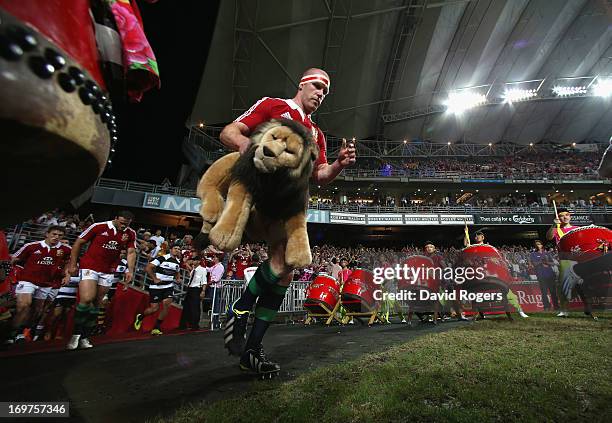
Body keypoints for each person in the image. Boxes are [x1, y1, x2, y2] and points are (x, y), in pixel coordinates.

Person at [220, 67, 356, 376]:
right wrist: (247, 146)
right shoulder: (273, 105)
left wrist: (337, 164)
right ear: (302, 84)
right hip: (263, 193)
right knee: (285, 263)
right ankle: (241, 309)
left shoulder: (317, 134)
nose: (321, 93)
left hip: (293, 204)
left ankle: (251, 349)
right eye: (318, 86)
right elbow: (229, 132)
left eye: (326, 91)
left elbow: (320, 176)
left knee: (286, 271)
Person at [64, 211, 137, 350]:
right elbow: (78, 242)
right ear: (115, 218)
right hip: (90, 266)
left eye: (126, 224)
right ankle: (75, 334)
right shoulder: (98, 227)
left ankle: (85, 336)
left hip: (109, 271)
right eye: (121, 223)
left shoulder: (131, 233)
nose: (123, 226)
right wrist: (73, 264)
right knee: (86, 299)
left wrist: (130, 270)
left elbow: (131, 252)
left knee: (97, 303)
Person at [6, 226, 71, 344]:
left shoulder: (66, 250)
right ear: (47, 234)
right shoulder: (31, 246)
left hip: (46, 284)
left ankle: (22, 332)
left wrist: (67, 274)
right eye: (54, 234)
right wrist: (7, 276)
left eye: (60, 235)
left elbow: (68, 262)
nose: (56, 237)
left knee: (37, 310)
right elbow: (13, 259)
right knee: (25, 305)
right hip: (27, 281)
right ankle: (10, 334)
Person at [463, 230, 528, 319]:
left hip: (493, 275)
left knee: (508, 293)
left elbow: (498, 260)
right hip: (479, 275)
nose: (477, 237)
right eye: (476, 236)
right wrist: (466, 234)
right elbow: (466, 246)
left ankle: (519, 311)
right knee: (474, 293)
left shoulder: (488, 247)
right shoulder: (472, 248)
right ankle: (478, 314)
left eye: (479, 235)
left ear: (483, 237)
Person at [546, 207, 595, 318]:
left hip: (579, 260)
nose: (565, 217)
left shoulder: (577, 229)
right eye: (562, 215)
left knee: (582, 286)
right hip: (565, 261)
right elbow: (549, 237)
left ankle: (588, 307)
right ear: (558, 218)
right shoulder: (557, 229)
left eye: (567, 214)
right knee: (563, 286)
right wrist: (554, 225)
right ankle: (564, 310)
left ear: (570, 216)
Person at [134, 243, 182, 335]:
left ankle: (156, 327)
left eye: (179, 249)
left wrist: (178, 278)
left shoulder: (177, 262)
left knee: (166, 305)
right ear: (171, 249)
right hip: (156, 287)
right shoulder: (162, 258)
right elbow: (148, 267)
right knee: (154, 309)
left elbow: (177, 271)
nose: (177, 250)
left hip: (168, 286)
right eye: (175, 248)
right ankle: (140, 317)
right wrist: (155, 278)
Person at [529, 240, 559, 311]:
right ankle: (546, 307)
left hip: (550, 274)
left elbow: (552, 263)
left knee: (553, 292)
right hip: (541, 275)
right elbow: (534, 264)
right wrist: (541, 261)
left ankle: (556, 306)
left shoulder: (547, 253)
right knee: (544, 292)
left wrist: (547, 262)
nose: (538, 245)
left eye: (539, 244)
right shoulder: (533, 254)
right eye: (536, 245)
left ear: (542, 245)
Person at [179, 255, 207, 330]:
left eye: (194, 260)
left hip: (196, 289)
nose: (193, 262)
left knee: (195, 307)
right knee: (186, 306)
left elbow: (204, 281)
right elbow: (191, 276)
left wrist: (203, 291)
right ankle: (184, 324)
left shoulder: (203, 269)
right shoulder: (194, 269)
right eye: (193, 260)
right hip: (190, 288)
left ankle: (195, 325)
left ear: (198, 261)